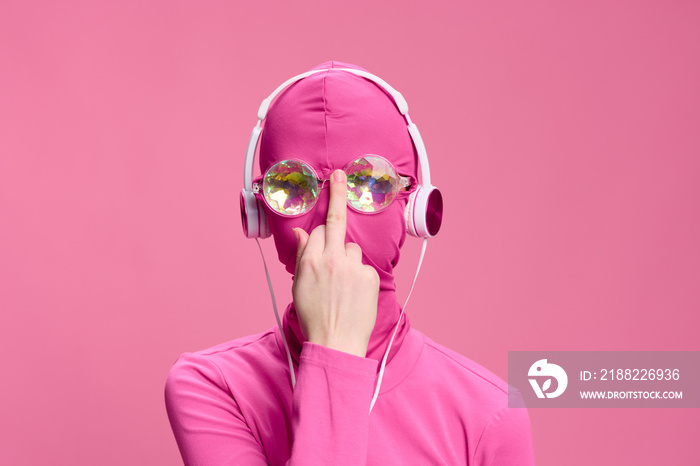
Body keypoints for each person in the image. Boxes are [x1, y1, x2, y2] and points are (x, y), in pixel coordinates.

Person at [164, 60, 536, 465]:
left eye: (369, 183)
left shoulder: (489, 413)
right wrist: (334, 352)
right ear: (259, 213)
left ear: (415, 206)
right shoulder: (211, 387)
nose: (331, 215)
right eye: (292, 185)